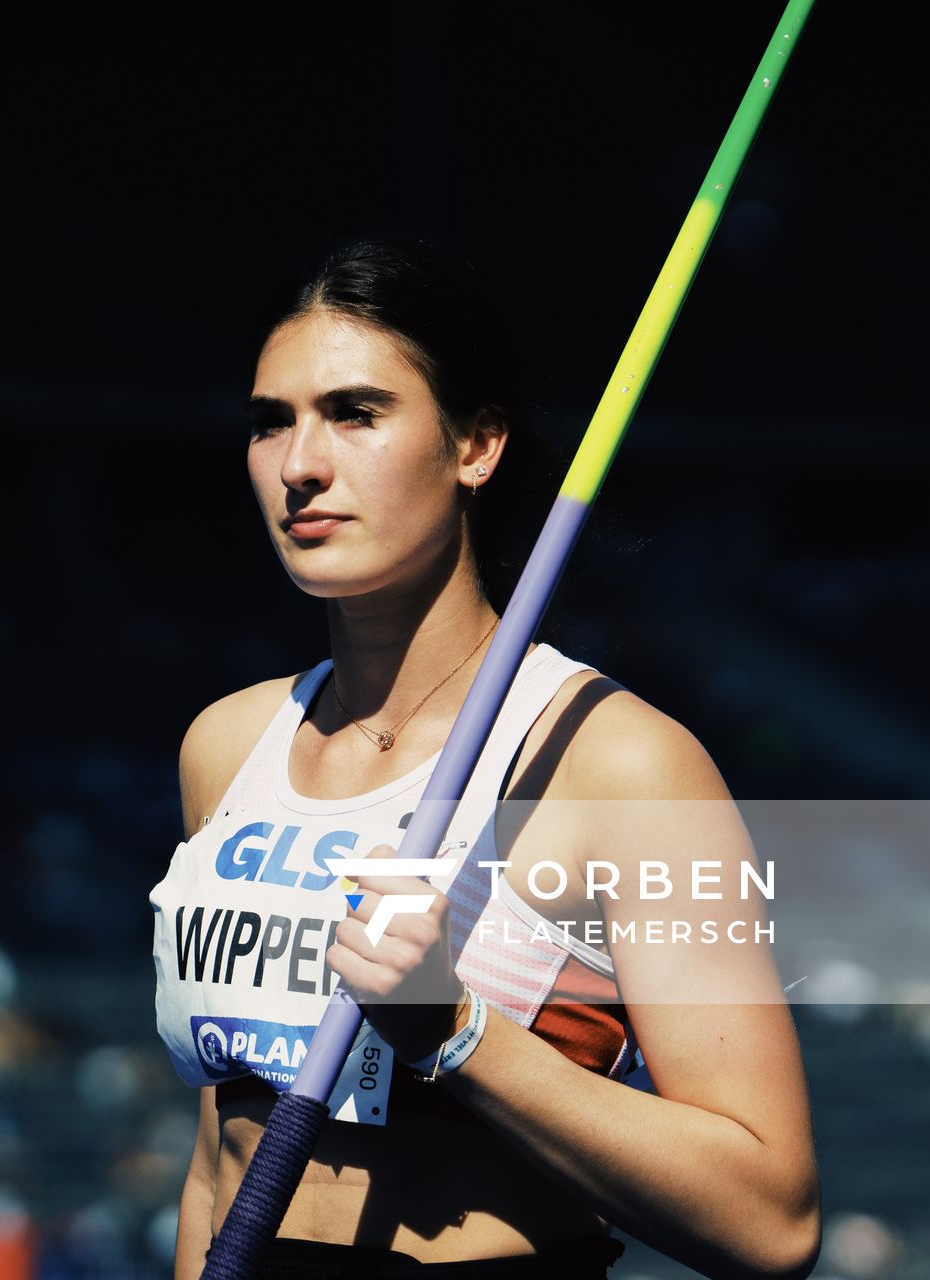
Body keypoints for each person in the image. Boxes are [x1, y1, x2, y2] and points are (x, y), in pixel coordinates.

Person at [154, 236, 819, 1280]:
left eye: (356, 413)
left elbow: (772, 1221)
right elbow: (217, 1163)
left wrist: (456, 1031)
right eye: (269, 421)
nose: (299, 464)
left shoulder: (617, 762)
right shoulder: (227, 746)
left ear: (477, 443)